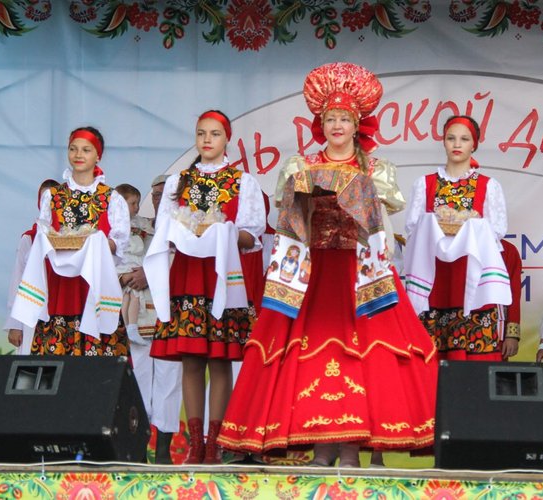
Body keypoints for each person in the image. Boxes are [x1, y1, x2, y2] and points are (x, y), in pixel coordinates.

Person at [217, 62, 438, 468]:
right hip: (314, 273)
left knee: (365, 353)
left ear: (357, 125)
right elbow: (284, 212)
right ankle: (320, 448)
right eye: (330, 118)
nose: (337, 125)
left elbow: (387, 207)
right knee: (312, 354)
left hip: (362, 275)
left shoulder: (376, 168)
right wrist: (304, 190)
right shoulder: (299, 166)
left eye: (344, 119)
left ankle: (354, 450)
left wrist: (353, 187)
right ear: (321, 124)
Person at [144, 110, 265, 464]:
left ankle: (216, 441)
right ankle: (195, 443)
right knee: (191, 358)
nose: (207, 139)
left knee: (221, 359)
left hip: (220, 276)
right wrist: (181, 232)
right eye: (201, 133)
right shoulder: (177, 182)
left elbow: (251, 236)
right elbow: (164, 231)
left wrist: (222, 231)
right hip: (186, 274)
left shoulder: (243, 182)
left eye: (214, 133)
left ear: (226, 138)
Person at [403, 115, 517, 361]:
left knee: (474, 366)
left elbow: (497, 231)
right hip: (435, 278)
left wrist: (464, 227)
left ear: (473, 144)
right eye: (451, 138)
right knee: (431, 362)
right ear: (443, 142)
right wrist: (437, 225)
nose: (457, 144)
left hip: (471, 277)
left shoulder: (488, 185)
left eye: (464, 139)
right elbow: (412, 230)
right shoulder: (425, 184)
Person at [11, 127, 130, 356]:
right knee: (54, 362)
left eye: (86, 149)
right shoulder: (53, 196)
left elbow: (119, 243)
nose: (79, 154)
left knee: (96, 368)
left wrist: (95, 243)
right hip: (58, 284)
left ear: (98, 155)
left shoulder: (111, 198)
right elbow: (44, 234)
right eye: (73, 148)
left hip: (93, 283)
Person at [120, 174, 183, 464]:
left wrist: (151, 273)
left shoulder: (185, 227)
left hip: (173, 316)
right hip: (141, 316)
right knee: (141, 382)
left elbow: (187, 264)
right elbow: (113, 260)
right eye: (155, 194)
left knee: (170, 383)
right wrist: (128, 276)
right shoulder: (137, 226)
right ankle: (138, 447)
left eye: (165, 194)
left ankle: (163, 452)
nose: (158, 199)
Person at [5, 178, 59, 354]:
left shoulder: (72, 239)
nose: (48, 204)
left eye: (53, 199)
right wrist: (15, 325)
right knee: (31, 368)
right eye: (44, 199)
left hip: (62, 315)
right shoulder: (29, 239)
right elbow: (17, 281)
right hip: (32, 316)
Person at [114, 183, 150, 349]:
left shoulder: (139, 222)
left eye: (138, 203)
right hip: (125, 264)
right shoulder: (112, 224)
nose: (137, 207)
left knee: (129, 296)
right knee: (133, 294)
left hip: (130, 265)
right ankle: (132, 327)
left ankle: (131, 327)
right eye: (133, 203)